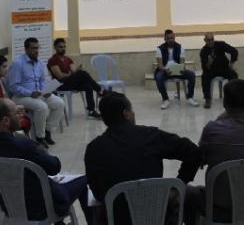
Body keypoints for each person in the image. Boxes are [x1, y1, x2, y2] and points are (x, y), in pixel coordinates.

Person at [85, 92, 202, 225]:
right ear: (126, 113)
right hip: (158, 218)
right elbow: (194, 152)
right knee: (187, 200)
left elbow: (98, 193)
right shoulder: (151, 136)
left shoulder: (93, 149)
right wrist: (178, 185)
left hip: (117, 220)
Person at [0, 99, 93, 224]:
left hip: (10, 207)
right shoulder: (24, 145)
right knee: (85, 180)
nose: (21, 115)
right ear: (6, 121)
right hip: (40, 207)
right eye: (17, 112)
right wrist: (36, 147)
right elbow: (54, 167)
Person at [184, 80, 244, 223]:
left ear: (224, 102)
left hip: (218, 208)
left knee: (184, 192)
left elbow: (201, 159)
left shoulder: (213, 129)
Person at [7, 37, 65, 148]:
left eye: (38, 48)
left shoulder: (40, 63)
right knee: (42, 107)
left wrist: (46, 90)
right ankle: (40, 137)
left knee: (59, 103)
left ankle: (47, 130)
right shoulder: (18, 63)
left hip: (39, 94)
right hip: (21, 97)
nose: (37, 51)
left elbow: (42, 81)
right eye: (33, 48)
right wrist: (30, 93)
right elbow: (14, 86)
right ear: (26, 49)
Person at [48, 38, 103, 118]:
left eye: (64, 47)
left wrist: (77, 70)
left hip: (71, 83)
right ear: (55, 47)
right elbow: (60, 76)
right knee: (83, 73)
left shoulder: (68, 59)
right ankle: (100, 90)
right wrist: (73, 73)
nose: (63, 49)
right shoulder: (53, 60)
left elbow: (74, 72)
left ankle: (91, 111)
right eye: (60, 47)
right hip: (61, 85)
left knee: (88, 86)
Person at [0, 54, 31, 134]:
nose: (7, 69)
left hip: (4, 110)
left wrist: (15, 108)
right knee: (23, 120)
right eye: (4, 67)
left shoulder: (1, 80)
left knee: (26, 118)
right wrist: (13, 110)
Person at [154, 29, 199, 109]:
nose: (170, 40)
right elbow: (160, 65)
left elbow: (182, 63)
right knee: (158, 77)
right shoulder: (160, 49)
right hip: (165, 71)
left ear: (174, 37)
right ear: (165, 39)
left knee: (191, 74)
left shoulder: (180, 48)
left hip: (178, 70)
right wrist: (165, 70)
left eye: (172, 38)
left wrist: (181, 68)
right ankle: (165, 99)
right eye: (168, 38)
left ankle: (190, 97)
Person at [199, 32, 239, 108]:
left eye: (212, 39)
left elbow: (234, 51)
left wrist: (232, 63)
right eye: (208, 40)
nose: (211, 42)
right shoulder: (203, 51)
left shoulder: (221, 44)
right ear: (205, 40)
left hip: (224, 68)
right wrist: (209, 63)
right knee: (204, 76)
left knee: (233, 75)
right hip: (211, 70)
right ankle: (207, 99)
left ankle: (233, 97)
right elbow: (204, 68)